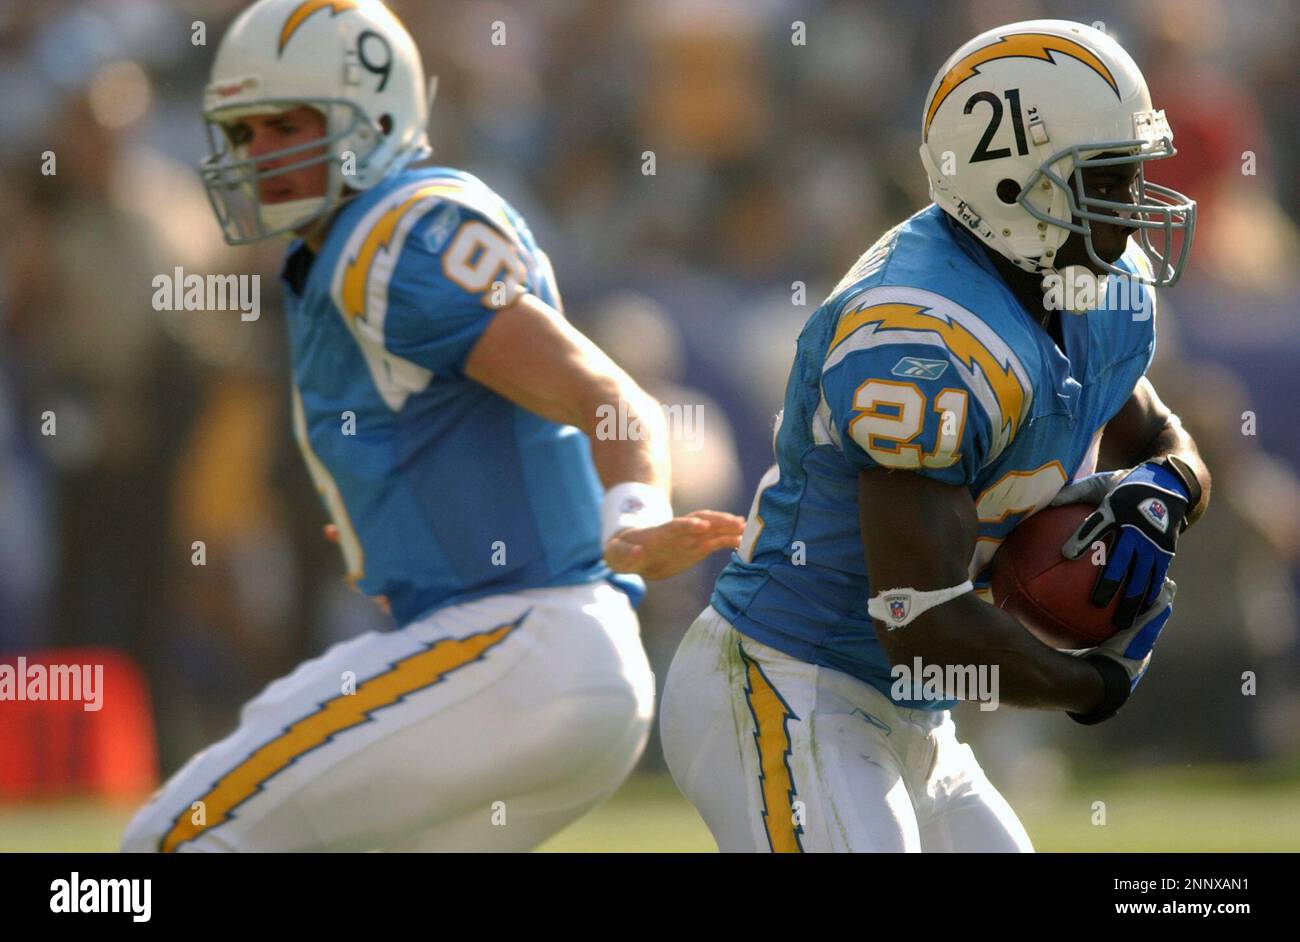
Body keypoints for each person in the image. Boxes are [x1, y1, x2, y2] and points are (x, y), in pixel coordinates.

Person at [122, 0, 742, 852]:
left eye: (286, 124)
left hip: (517, 644)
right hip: (552, 666)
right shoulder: (345, 247)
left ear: (372, 117)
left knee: (168, 845)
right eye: (245, 130)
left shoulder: (398, 236)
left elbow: (605, 393)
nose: (259, 153)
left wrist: (633, 514)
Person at [660, 19, 1211, 853]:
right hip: (790, 683)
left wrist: (1169, 489)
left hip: (917, 714)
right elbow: (918, 623)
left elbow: (1158, 433)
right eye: (1109, 177)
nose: (1134, 211)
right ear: (1011, 182)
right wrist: (1090, 686)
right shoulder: (923, 335)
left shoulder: (1084, 282)